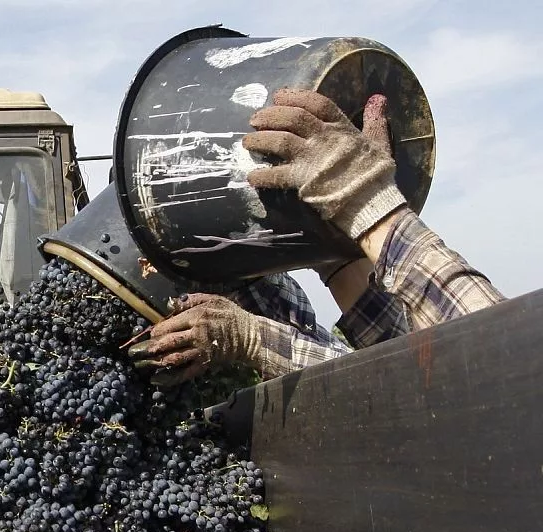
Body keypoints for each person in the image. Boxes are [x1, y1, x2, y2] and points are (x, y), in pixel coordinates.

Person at [133, 89, 505, 386]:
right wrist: (338, 243)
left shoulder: (511, 393)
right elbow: (407, 356)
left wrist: (365, 199)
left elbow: (490, 361)